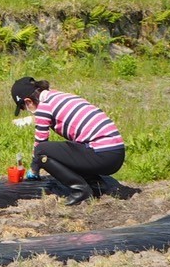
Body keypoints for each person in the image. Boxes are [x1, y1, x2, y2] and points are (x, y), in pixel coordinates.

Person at [10, 76, 126, 206]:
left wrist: (34, 169)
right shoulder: (58, 96)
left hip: (102, 154)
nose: (28, 111)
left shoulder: (43, 107)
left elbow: (40, 144)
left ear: (28, 101)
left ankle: (80, 190)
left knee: (42, 152)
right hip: (116, 153)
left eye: (24, 107)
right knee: (68, 151)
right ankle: (95, 184)